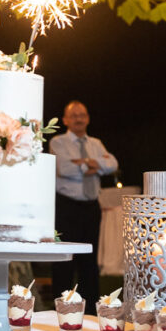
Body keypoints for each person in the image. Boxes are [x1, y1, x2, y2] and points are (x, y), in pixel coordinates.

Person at [49, 101, 118, 305]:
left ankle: (90, 311)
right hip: (66, 206)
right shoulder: (58, 142)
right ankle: (60, 307)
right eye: (74, 115)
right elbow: (64, 169)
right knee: (64, 259)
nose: (79, 119)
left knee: (89, 259)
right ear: (65, 120)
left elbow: (112, 164)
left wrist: (84, 163)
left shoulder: (95, 143)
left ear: (87, 118)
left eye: (82, 115)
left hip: (91, 207)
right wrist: (95, 165)